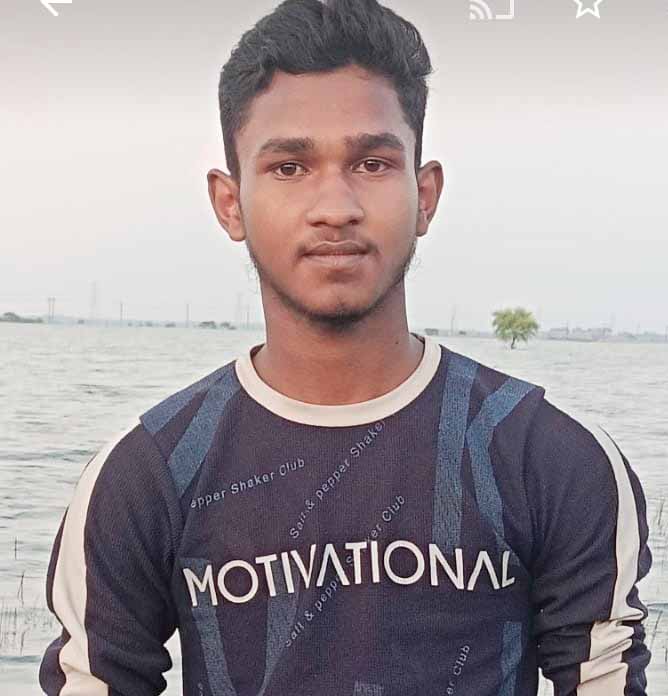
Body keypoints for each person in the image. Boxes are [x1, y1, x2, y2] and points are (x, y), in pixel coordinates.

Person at [39, 0, 653, 694]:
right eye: (289, 167)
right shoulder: (146, 473)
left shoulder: (549, 457)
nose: (335, 207)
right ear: (230, 203)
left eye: (372, 163)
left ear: (425, 195)